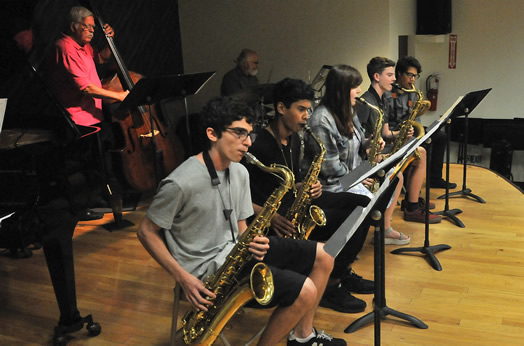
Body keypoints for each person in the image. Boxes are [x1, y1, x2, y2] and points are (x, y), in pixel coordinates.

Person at [137, 97, 346, 346]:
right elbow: (146, 231)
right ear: (212, 134)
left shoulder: (239, 171)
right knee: (306, 290)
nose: (247, 143)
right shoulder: (180, 182)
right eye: (239, 133)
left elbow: (240, 225)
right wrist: (183, 278)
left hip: (237, 252)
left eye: (249, 134)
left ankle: (303, 336)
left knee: (325, 255)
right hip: (207, 271)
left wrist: (253, 240)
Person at [245, 78, 375, 314]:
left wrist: (309, 185)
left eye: (308, 110)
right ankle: (331, 285)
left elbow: (291, 181)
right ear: (281, 108)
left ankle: (339, 273)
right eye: (301, 109)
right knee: (348, 217)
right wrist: (270, 216)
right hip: (275, 219)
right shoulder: (259, 147)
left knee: (363, 204)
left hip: (296, 204)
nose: (307, 116)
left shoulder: (294, 137)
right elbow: (240, 197)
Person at [303, 65, 410, 247]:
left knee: (394, 175)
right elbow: (330, 168)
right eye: (354, 87)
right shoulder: (322, 120)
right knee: (369, 200)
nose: (359, 91)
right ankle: (346, 247)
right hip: (332, 185)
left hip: (352, 175)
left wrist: (371, 143)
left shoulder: (348, 112)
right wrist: (360, 176)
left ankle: (375, 232)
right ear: (340, 90)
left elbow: (358, 143)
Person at [46, 6, 129, 220]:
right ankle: (80, 208)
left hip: (92, 114)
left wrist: (110, 40)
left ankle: (95, 199)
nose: (92, 31)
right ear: (74, 26)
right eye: (88, 26)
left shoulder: (84, 46)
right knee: (82, 166)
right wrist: (120, 96)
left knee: (98, 161)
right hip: (77, 118)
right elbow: (86, 88)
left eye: (94, 27)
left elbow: (100, 59)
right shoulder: (65, 47)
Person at [357, 57, 441, 224]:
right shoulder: (367, 102)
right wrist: (369, 147)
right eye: (390, 74)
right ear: (377, 77)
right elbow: (357, 139)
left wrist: (402, 133)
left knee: (421, 152)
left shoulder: (380, 100)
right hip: (371, 156)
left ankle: (412, 203)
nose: (394, 78)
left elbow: (386, 133)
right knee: (415, 159)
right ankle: (410, 208)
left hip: (382, 147)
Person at [384, 56, 456, 189]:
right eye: (410, 75)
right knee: (423, 145)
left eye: (415, 76)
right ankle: (409, 183)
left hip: (412, 128)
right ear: (399, 73)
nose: (412, 79)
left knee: (440, 136)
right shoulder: (387, 94)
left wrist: (417, 129)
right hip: (396, 132)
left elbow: (416, 116)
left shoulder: (413, 92)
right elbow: (387, 122)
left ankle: (435, 178)